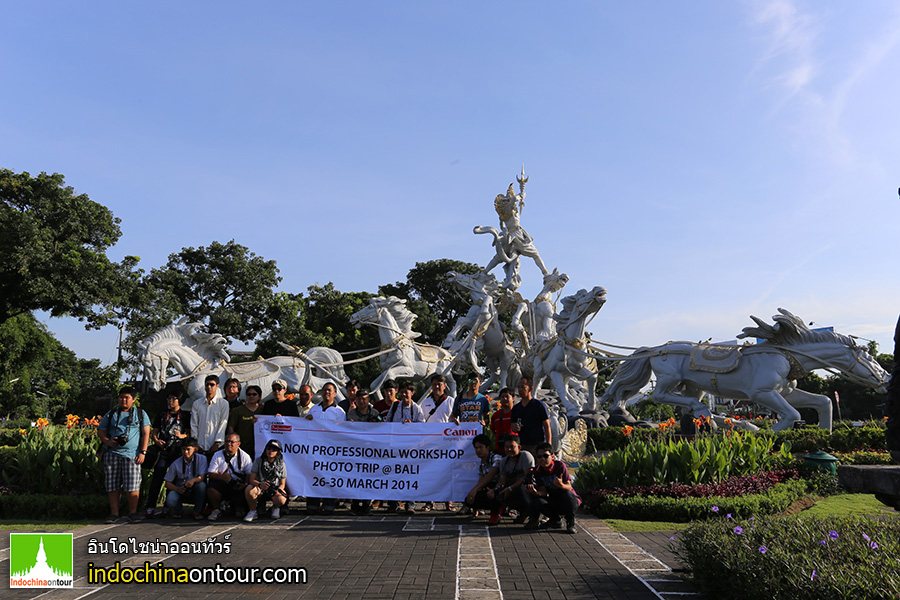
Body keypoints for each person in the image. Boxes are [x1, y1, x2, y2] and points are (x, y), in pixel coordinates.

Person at [98, 386, 151, 523]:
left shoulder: (140, 413)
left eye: (127, 397)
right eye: (121, 397)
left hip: (132, 455)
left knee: (132, 485)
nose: (123, 400)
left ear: (133, 399)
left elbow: (146, 433)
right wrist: (107, 442)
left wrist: (143, 452)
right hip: (112, 454)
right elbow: (101, 431)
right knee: (112, 485)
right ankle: (114, 513)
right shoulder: (111, 414)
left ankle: (133, 512)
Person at [146, 388, 191, 518]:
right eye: (169, 399)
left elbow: (190, 433)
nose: (171, 401)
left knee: (174, 480)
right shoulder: (162, 415)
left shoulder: (185, 415)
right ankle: (150, 506)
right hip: (163, 452)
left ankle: (168, 506)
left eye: (173, 399)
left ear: (179, 401)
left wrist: (182, 436)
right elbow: (154, 431)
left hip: (177, 452)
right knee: (157, 478)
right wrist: (156, 440)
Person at [305, 382, 346, 514]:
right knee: (313, 476)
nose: (326, 393)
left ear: (335, 394)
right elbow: (305, 427)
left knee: (329, 477)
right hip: (315, 450)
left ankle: (329, 504)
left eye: (329, 390)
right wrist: (307, 420)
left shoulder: (339, 412)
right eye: (324, 390)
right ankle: (313, 503)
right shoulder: (314, 409)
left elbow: (342, 432)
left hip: (331, 451)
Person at [384, 381, 424, 513]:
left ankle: (410, 505)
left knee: (410, 476)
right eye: (401, 392)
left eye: (406, 392)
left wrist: (411, 425)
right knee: (393, 475)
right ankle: (393, 504)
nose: (404, 394)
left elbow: (423, 429)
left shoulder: (417, 408)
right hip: (395, 446)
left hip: (411, 448)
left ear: (412, 393)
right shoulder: (395, 406)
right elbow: (387, 424)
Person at [525, 442, 579, 534]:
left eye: (545, 456)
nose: (542, 459)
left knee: (567, 495)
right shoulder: (538, 471)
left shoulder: (560, 466)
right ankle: (555, 520)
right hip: (554, 500)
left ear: (552, 456)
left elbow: (569, 487)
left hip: (568, 500)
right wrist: (535, 492)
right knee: (537, 500)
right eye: (539, 457)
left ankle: (571, 523)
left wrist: (560, 485)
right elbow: (543, 491)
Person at [420, 374, 455, 511]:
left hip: (446, 443)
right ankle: (429, 501)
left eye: (439, 384)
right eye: (434, 384)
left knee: (447, 473)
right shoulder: (425, 402)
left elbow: (456, 420)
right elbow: (421, 422)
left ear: (444, 386)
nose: (436, 387)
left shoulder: (451, 401)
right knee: (430, 473)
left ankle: (448, 502)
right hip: (430, 444)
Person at [345, 389, 381, 515]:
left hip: (370, 451)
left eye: (364, 398)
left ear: (369, 400)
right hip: (355, 451)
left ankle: (366, 504)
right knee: (355, 478)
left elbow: (381, 431)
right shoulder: (351, 414)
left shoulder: (375, 413)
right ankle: (355, 505)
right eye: (359, 398)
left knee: (368, 478)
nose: (361, 401)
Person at [490, 434, 534, 526]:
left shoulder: (526, 456)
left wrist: (510, 488)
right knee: (498, 492)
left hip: (527, 489)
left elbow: (527, 476)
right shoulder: (504, 461)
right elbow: (502, 480)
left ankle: (530, 513)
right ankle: (497, 514)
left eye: (512, 447)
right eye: (506, 447)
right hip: (512, 489)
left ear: (519, 447)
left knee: (521, 489)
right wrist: (494, 490)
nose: (509, 449)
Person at [207, 433, 252, 521]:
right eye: (227, 441)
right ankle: (216, 510)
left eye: (232, 442)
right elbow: (211, 473)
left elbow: (249, 474)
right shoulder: (217, 455)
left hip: (237, 484)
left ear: (238, 443)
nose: (229, 444)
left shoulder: (245, 456)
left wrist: (245, 484)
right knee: (211, 488)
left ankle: (239, 507)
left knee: (246, 489)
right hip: (222, 481)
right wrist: (222, 477)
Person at [163, 437, 209, 520]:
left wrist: (193, 480)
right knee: (171, 499)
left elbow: (202, 477)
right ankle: (178, 510)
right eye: (183, 449)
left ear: (195, 449)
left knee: (202, 486)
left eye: (188, 449)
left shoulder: (202, 459)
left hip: (195, 488)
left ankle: (197, 511)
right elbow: (167, 483)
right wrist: (177, 489)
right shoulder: (176, 463)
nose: (185, 452)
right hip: (181, 489)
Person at [244, 439, 288, 521]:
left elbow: (282, 483)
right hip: (260, 487)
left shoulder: (281, 463)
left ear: (278, 452)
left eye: (274, 450)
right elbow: (252, 479)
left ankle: (275, 508)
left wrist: (278, 490)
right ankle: (253, 511)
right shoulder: (258, 461)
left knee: (281, 498)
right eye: (269, 449)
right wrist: (260, 484)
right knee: (249, 489)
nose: (271, 451)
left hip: (273, 488)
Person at [510, 375, 551, 456]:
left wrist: (548, 446)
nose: (520, 390)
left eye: (523, 387)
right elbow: (512, 425)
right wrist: (514, 427)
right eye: (518, 387)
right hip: (522, 445)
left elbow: (547, 426)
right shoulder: (516, 408)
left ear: (531, 389)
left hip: (537, 446)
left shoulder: (539, 405)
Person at [463, 434, 501, 520]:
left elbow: (490, 476)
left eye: (480, 447)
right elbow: (481, 482)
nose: (478, 450)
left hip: (500, 487)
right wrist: (475, 493)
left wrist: (474, 489)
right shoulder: (482, 464)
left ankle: (497, 511)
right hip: (489, 487)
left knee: (492, 493)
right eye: (476, 448)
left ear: (487, 447)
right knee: (469, 500)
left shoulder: (496, 457)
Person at [191, 374, 230, 459]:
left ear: (217, 386)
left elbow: (223, 424)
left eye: (212, 384)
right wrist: (195, 443)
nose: (209, 387)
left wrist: (217, 443)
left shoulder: (223, 403)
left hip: (217, 446)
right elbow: (194, 424)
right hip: (199, 446)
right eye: (207, 384)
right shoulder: (197, 404)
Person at [227, 384, 263, 459]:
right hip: (242, 446)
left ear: (259, 396)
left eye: (254, 394)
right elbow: (231, 427)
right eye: (249, 394)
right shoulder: (237, 410)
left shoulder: (264, 410)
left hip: (259, 446)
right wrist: (233, 443)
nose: (251, 396)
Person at [490, 387, 515, 453]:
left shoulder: (517, 413)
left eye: (507, 396)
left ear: (513, 398)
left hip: (514, 450)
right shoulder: (496, 415)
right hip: (499, 449)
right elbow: (492, 430)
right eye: (502, 397)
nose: (504, 399)